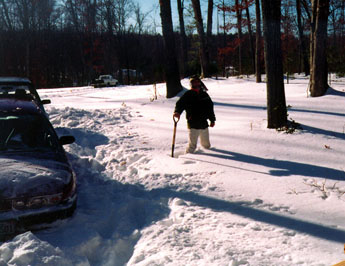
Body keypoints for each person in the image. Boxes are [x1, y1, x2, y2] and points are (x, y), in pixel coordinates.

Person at [173, 76, 216, 153]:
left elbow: (210, 108)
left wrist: (212, 120)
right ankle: (187, 158)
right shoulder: (188, 94)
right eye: (193, 82)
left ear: (200, 83)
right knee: (192, 146)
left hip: (204, 123)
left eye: (197, 81)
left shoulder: (204, 95)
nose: (195, 83)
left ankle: (209, 156)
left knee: (206, 145)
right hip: (193, 123)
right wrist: (177, 112)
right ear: (191, 84)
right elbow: (180, 104)